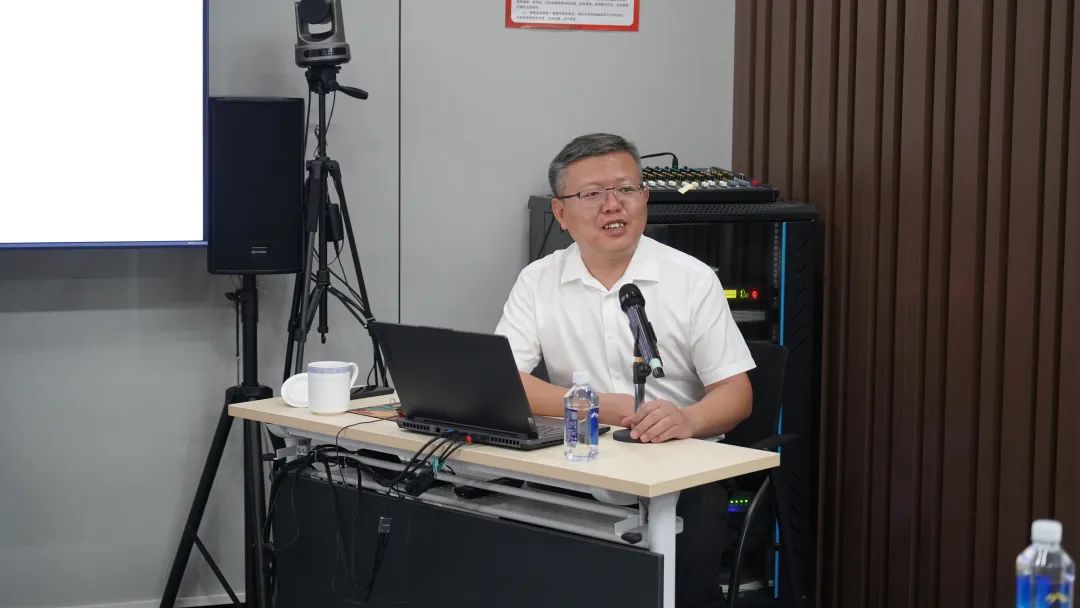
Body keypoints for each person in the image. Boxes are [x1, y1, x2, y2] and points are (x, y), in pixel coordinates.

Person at [495, 133, 755, 607]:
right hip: (577, 463)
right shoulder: (538, 280)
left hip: (677, 470)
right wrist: (601, 407)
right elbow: (504, 381)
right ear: (560, 213)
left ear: (645, 198)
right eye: (592, 194)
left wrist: (688, 419)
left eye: (626, 190)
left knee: (683, 573)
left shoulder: (692, 279)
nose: (612, 205)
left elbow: (736, 393)